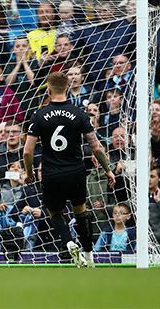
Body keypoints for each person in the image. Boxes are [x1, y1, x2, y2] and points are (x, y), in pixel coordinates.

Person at [23, 72, 115, 268]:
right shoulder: (79, 113)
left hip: (51, 173)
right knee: (81, 211)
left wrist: (29, 173)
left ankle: (68, 242)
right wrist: (108, 169)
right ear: (66, 88)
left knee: (54, 212)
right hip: (75, 171)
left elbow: (27, 151)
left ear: (48, 90)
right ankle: (89, 255)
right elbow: (96, 146)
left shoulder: (39, 115)